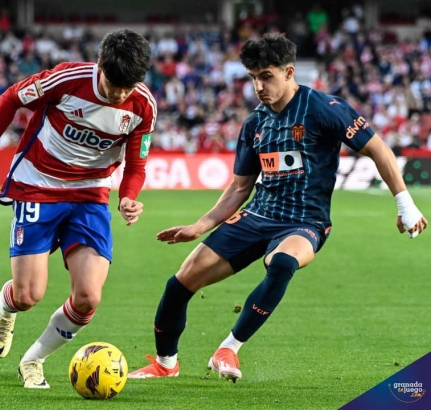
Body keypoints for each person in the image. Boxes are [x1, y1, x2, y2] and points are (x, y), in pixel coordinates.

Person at [128, 33, 427, 382]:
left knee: (282, 262)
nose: (258, 85)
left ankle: (228, 348)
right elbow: (240, 186)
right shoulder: (255, 123)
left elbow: (378, 150)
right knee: (179, 285)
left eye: (266, 76)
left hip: (306, 221)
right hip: (257, 215)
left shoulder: (324, 109)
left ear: (288, 72)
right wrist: (200, 225)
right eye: (253, 77)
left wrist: (404, 202)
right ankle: (166, 364)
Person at [0, 29, 155, 389]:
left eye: (127, 88)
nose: (118, 94)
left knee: (88, 298)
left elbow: (137, 165)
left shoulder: (142, 105)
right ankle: (6, 306)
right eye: (114, 85)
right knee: (28, 296)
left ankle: (33, 360)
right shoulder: (68, 79)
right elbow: (11, 98)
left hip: (91, 194)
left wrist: (128, 196)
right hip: (39, 184)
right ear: (100, 66)